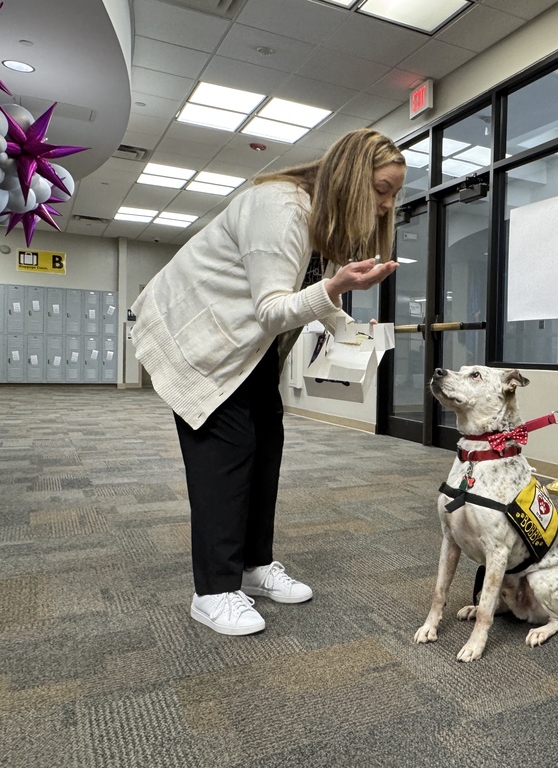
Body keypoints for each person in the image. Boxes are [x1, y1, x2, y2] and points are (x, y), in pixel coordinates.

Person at [131, 128, 405, 635]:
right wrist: (336, 286)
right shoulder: (282, 208)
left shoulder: (319, 219)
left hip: (246, 344)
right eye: (381, 189)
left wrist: (346, 326)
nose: (387, 205)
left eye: (393, 194)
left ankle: (254, 567)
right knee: (225, 457)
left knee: (266, 446)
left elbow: (300, 295)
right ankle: (212, 591)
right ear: (349, 178)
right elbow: (274, 307)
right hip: (201, 338)